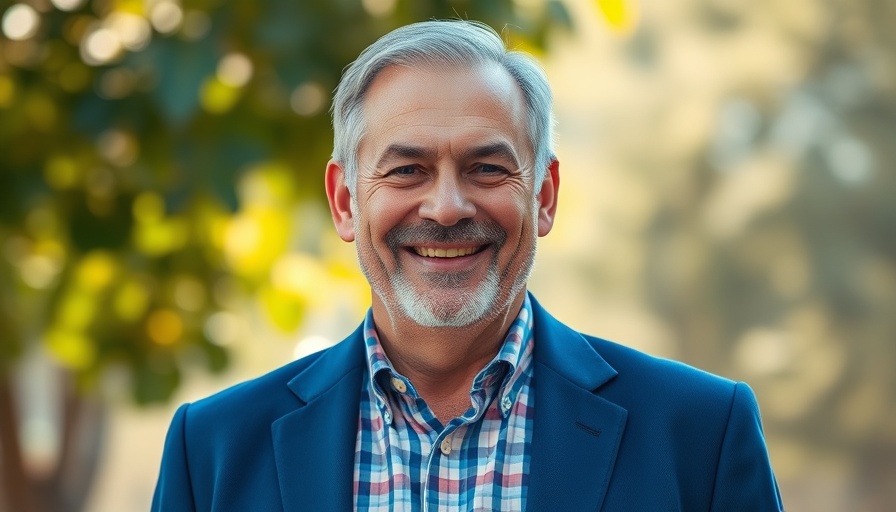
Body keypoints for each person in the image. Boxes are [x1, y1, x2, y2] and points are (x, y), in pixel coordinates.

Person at [152, 19, 783, 511]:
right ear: (345, 202)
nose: (448, 207)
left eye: (486, 168)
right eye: (407, 169)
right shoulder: (211, 451)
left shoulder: (700, 434)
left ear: (544, 196)